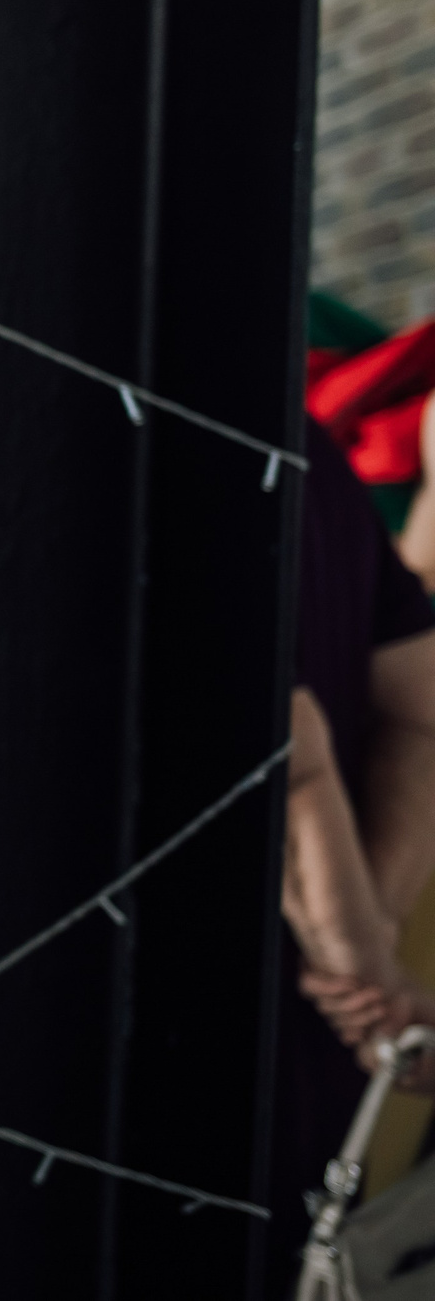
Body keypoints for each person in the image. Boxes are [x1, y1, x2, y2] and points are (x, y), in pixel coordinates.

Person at [269, 415, 435, 1280]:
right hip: (346, 994)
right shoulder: (312, 448)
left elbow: (288, 755)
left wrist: (366, 965)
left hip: (225, 1038)